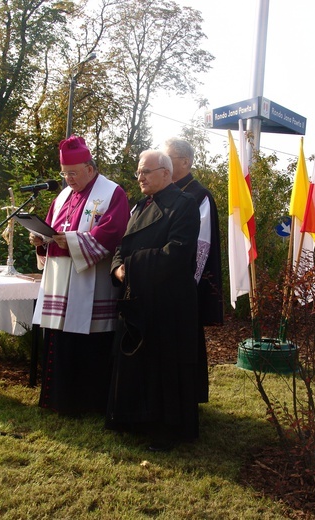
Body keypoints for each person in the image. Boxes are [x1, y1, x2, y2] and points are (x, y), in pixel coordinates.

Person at [105, 149, 200, 451]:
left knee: (163, 366)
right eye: (139, 172)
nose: (141, 177)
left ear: (166, 173)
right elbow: (123, 244)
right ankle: (132, 417)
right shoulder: (140, 206)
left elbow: (178, 252)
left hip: (167, 302)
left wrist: (130, 268)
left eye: (147, 171)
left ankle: (165, 428)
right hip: (137, 296)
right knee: (136, 363)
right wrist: (118, 267)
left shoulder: (184, 205)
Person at [30, 135, 129, 417]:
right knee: (59, 339)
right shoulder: (63, 196)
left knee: (86, 343)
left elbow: (112, 233)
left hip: (90, 282)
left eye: (73, 173)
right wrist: (41, 240)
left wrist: (70, 241)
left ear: (90, 167)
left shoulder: (112, 193)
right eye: (65, 174)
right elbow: (52, 228)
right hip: (60, 280)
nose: (68, 179)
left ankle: (85, 403)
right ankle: (57, 400)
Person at [163, 138, 223, 403]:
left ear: (185, 162)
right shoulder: (163, 192)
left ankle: (187, 397)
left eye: (168, 159)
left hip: (183, 286)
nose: (163, 164)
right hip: (161, 282)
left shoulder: (199, 195)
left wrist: (185, 287)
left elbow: (201, 246)